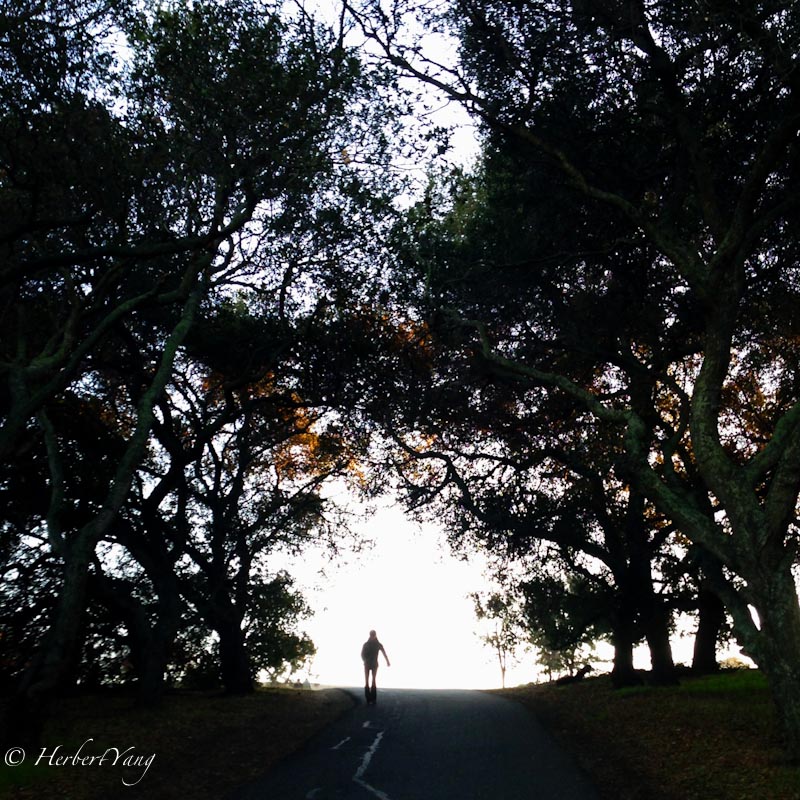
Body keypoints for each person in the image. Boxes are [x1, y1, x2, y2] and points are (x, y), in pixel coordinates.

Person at [361, 629, 390, 704]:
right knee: (367, 681)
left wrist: (387, 661)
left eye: (373, 635)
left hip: (374, 664)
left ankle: (373, 699)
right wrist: (364, 660)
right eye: (371, 635)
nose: (372, 636)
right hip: (367, 664)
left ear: (375, 635)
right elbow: (362, 654)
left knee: (373, 680)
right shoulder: (366, 644)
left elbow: (384, 653)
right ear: (370, 635)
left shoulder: (378, 644)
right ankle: (368, 699)